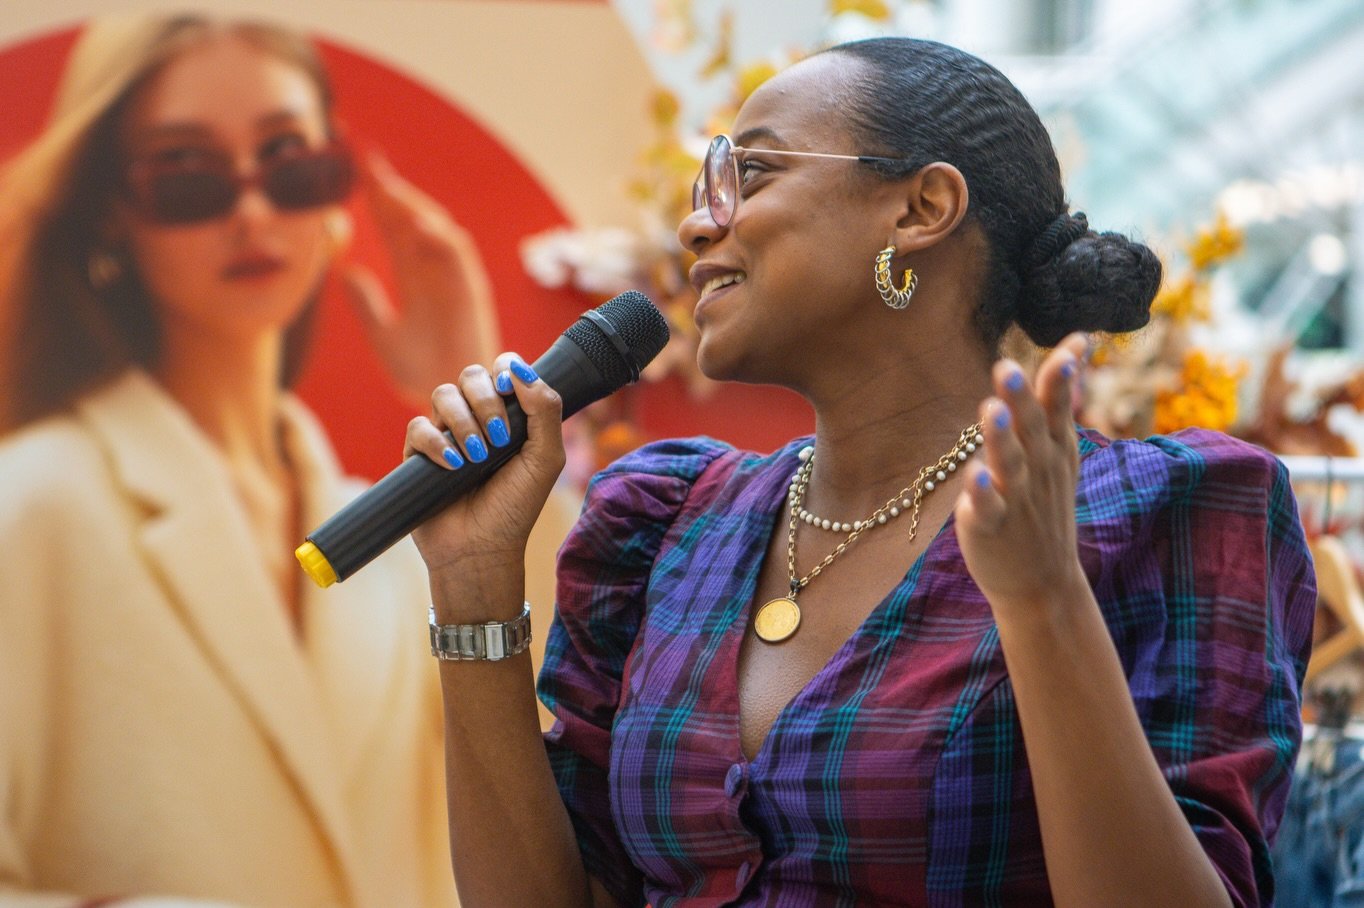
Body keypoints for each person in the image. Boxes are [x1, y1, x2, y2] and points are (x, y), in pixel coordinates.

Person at [400, 37, 1317, 907]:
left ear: (919, 209)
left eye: (748, 173)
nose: (695, 220)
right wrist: (472, 589)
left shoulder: (1167, 511)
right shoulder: (665, 524)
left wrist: (1045, 601)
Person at [0, 13, 572, 907]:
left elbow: (559, 754)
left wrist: (472, 398)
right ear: (111, 205)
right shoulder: (33, 506)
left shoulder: (392, 526)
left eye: (289, 162)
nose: (254, 210)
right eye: (186, 176)